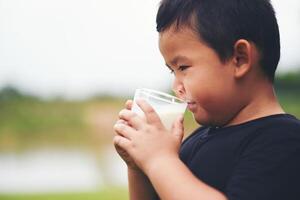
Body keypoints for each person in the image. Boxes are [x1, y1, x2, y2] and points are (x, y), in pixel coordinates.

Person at [113, 0, 300, 199]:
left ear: (240, 58)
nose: (176, 87)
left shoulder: (284, 140)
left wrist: (159, 160)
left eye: (183, 67)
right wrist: (139, 166)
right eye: (172, 71)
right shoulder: (195, 141)